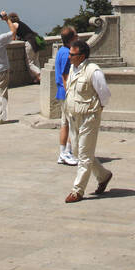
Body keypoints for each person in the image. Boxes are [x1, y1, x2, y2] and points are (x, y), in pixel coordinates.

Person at [64, 40, 112, 203]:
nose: (69, 57)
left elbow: (104, 93)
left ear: (82, 56)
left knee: (84, 155)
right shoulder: (73, 68)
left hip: (89, 116)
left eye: (72, 54)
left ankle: (77, 190)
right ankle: (103, 175)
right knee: (77, 151)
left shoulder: (93, 71)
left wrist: (98, 108)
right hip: (74, 116)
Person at [55, 25, 79, 165]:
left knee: (65, 123)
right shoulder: (66, 53)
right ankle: (67, 152)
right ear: (71, 39)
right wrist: (70, 92)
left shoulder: (61, 51)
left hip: (62, 92)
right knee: (72, 124)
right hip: (66, 92)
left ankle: (63, 152)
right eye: (75, 35)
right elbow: (65, 75)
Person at [7, 12, 43, 83]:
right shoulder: (20, 23)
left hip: (30, 42)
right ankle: (37, 78)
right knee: (36, 60)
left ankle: (40, 75)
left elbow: (13, 35)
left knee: (30, 63)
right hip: (35, 41)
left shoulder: (15, 24)